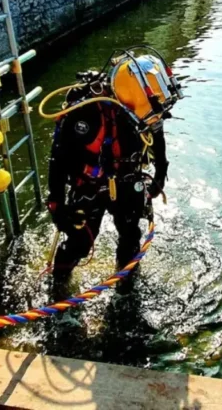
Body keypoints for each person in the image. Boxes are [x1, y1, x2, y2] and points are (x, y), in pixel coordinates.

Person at [42, 50, 182, 288]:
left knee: (130, 237)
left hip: (128, 180)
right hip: (89, 185)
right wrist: (56, 203)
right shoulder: (85, 112)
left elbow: (157, 135)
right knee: (79, 242)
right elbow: (59, 157)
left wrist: (160, 173)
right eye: (150, 116)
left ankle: (126, 289)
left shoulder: (144, 111)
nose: (153, 121)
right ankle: (59, 290)